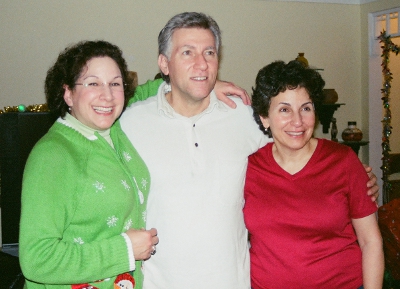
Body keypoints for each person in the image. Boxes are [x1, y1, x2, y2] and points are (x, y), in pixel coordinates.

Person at [120, 12, 379, 289]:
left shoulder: (241, 115)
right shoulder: (130, 123)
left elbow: (294, 146)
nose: (201, 64)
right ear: (164, 64)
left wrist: (356, 177)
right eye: (187, 53)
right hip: (160, 283)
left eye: (209, 52)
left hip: (234, 282)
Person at [19, 40, 159, 289]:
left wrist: (203, 83)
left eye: (115, 83)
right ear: (68, 93)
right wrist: (124, 249)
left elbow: (149, 90)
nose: (107, 95)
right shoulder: (53, 156)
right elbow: (36, 259)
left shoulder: (112, 131)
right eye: (93, 83)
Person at [244, 60, 384, 289]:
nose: (297, 121)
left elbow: (371, 241)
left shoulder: (343, 160)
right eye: (284, 109)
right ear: (264, 117)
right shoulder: (248, 167)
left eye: (306, 108)